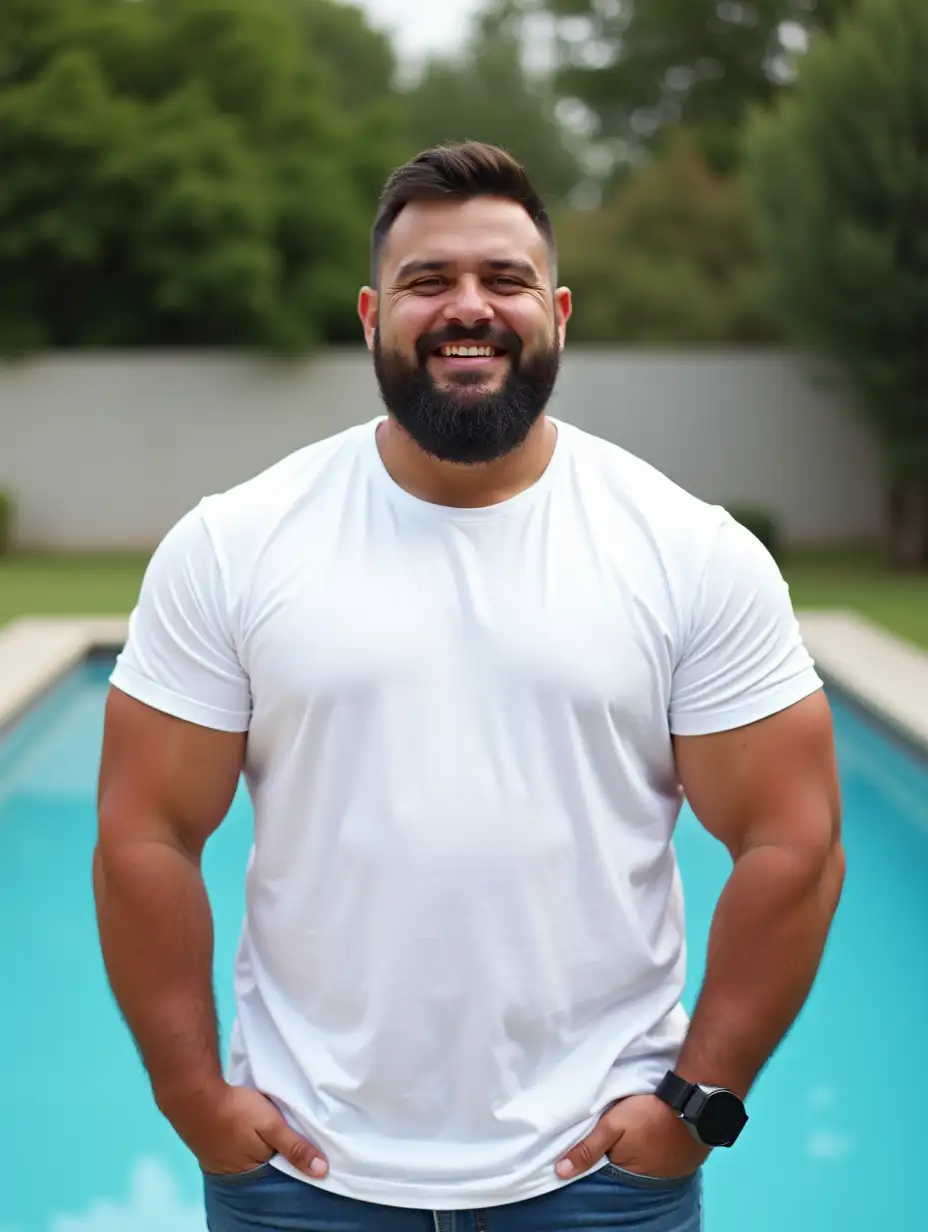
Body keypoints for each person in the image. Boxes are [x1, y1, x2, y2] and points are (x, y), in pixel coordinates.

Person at [93, 142, 845, 1232]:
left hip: (597, 1183)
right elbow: (144, 832)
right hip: (300, 1179)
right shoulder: (234, 544)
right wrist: (191, 1093)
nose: (468, 308)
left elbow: (795, 839)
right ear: (369, 313)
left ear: (558, 309)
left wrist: (695, 1103)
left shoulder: (689, 551)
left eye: (504, 279)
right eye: (427, 281)